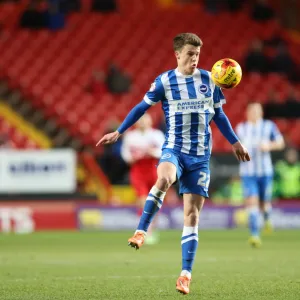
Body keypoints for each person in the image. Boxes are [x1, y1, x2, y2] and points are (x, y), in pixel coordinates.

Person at [96, 33, 250, 295]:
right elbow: (140, 107)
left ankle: (185, 274)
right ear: (177, 54)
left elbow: (219, 114)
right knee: (165, 178)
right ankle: (141, 231)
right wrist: (120, 131)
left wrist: (235, 142)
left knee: (192, 215)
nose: (194, 59)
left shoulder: (210, 80)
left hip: (200, 157)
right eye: (190, 54)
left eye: (198, 55)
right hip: (174, 149)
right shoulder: (164, 82)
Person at [236, 102, 285, 247]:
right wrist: (240, 152)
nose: (254, 113)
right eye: (251, 111)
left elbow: (281, 143)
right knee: (252, 202)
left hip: (265, 172)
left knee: (264, 203)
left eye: (257, 111)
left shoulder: (269, 126)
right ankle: (255, 235)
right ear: (247, 113)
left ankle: (267, 217)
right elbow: (235, 148)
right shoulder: (241, 128)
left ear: (261, 113)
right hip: (248, 173)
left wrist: (269, 145)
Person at [121, 113, 165, 244]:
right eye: (140, 121)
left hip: (154, 169)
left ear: (150, 122)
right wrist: (131, 158)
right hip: (138, 171)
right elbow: (125, 153)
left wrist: (153, 152)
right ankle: (145, 231)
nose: (142, 123)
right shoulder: (130, 136)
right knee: (142, 201)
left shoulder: (156, 135)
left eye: (145, 120)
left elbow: (165, 150)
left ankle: (150, 230)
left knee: (154, 202)